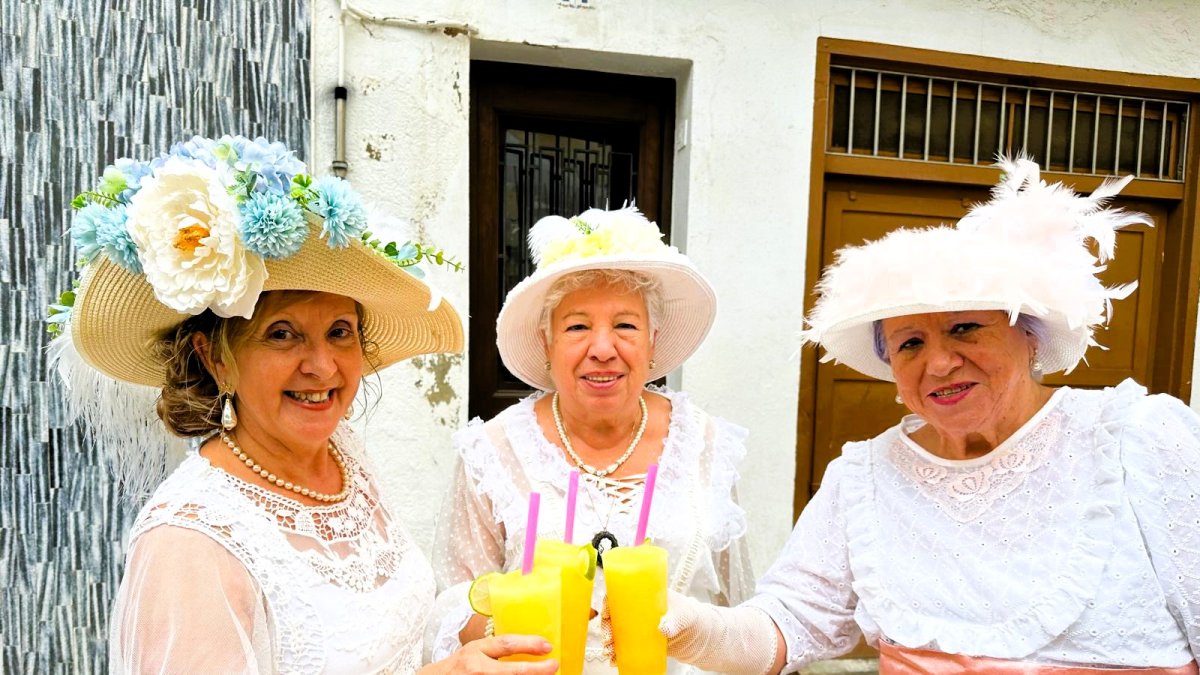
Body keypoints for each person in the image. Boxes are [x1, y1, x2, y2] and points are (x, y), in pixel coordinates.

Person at [652, 158, 1200, 674]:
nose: (939, 362)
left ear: (1030, 336)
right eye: (910, 342)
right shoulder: (863, 478)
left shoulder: (1137, 440)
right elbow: (795, 619)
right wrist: (691, 628)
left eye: (965, 328)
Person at [49, 135, 558, 674]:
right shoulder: (191, 541)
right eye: (283, 334)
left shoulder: (342, 458)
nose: (322, 365)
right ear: (214, 358)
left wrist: (488, 630)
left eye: (340, 331)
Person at [426, 206, 755, 673]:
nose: (603, 350)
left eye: (625, 325)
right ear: (547, 341)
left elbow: (737, 604)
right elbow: (454, 605)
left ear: (653, 340)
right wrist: (520, 621)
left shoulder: (704, 444)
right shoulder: (494, 452)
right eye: (577, 326)